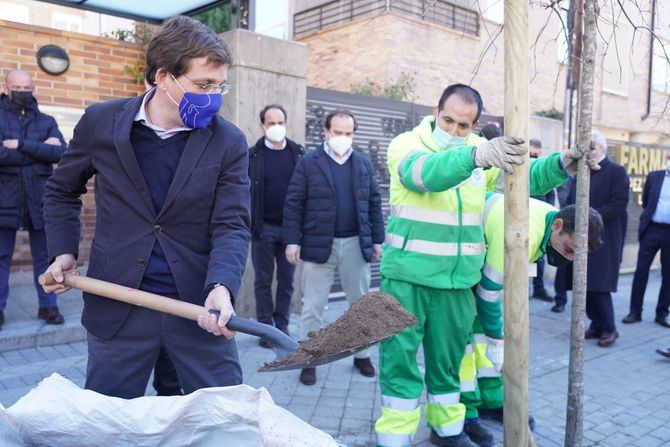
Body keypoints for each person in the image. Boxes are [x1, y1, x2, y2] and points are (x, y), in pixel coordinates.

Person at [41, 16, 250, 398]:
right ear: (163, 77)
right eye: (203, 85)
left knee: (225, 418)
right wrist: (63, 251)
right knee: (109, 421)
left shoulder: (229, 142)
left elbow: (232, 224)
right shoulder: (101, 123)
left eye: (220, 86)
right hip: (118, 304)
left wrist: (222, 286)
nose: (214, 96)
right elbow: (60, 190)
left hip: (198, 310)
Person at [375, 83, 591, 447]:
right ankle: (394, 439)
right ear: (435, 111)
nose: (454, 132)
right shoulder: (407, 145)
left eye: (464, 126)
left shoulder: (478, 151)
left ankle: (446, 431)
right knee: (399, 362)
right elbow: (424, 176)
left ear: (474, 126)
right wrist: (475, 157)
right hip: (407, 281)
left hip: (457, 284)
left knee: (448, 367)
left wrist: (560, 165)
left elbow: (523, 179)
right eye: (448, 121)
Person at [460, 194, 603, 443]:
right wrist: (498, 340)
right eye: (568, 249)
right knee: (466, 343)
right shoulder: (523, 234)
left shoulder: (549, 221)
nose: (569, 258)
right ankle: (466, 414)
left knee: (484, 336)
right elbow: (487, 293)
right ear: (558, 226)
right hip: (461, 258)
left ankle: (491, 401)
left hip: (482, 258)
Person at [282, 109, 384, 386]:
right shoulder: (309, 162)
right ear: (326, 132)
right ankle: (310, 357)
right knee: (313, 306)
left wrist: (377, 239)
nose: (343, 138)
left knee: (360, 304)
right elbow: (294, 202)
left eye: (348, 133)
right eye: (337, 132)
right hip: (318, 244)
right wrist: (293, 240)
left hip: (354, 243)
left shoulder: (362, 163)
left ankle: (362, 355)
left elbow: (373, 202)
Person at [0, 69, 67, 329]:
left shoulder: (47, 120)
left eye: (27, 87)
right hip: (5, 198)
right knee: (1, 256)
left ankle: (48, 307)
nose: (22, 91)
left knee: (46, 257)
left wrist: (20, 145)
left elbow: (61, 152)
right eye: (17, 86)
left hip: (40, 199)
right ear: (6, 88)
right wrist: (41, 149)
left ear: (33, 88)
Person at [551, 130, 629, 348]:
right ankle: (596, 324)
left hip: (604, 237)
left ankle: (610, 328)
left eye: (591, 147)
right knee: (583, 283)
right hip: (581, 237)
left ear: (602, 148)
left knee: (599, 285)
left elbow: (619, 202)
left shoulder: (616, 171)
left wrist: (590, 219)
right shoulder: (582, 171)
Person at [249, 104, 304, 348]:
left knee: (286, 281)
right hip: (263, 229)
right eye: (271, 123)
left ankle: (281, 326)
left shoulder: (298, 153)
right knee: (262, 280)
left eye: (280, 122)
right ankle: (265, 328)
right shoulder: (252, 155)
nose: (276, 127)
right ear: (262, 126)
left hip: (289, 231)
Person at [622, 149, 670, 328]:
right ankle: (635, 312)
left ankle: (662, 313)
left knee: (668, 275)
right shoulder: (654, 176)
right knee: (641, 270)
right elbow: (646, 200)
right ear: (668, 156)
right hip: (652, 229)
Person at [528, 138, 557, 302]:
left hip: (541, 221)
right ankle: (522, 290)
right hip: (523, 221)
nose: (534, 157)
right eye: (531, 154)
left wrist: (548, 211)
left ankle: (538, 288)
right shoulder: (521, 170)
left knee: (539, 257)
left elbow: (551, 193)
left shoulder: (541, 171)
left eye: (536, 155)